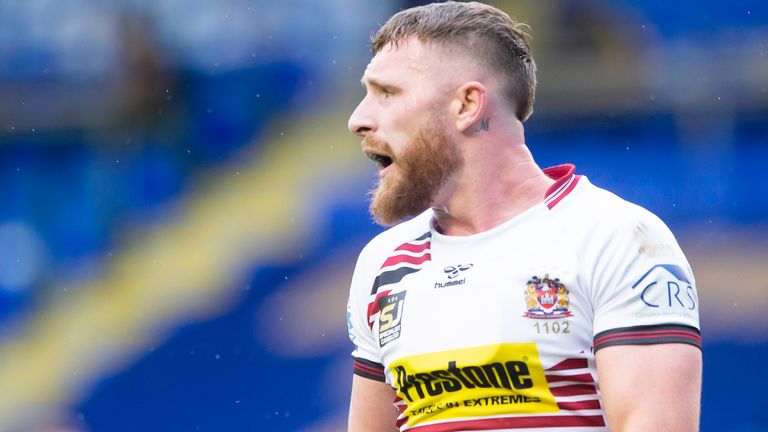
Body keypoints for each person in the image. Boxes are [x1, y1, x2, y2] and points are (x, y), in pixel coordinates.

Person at [345, 2, 701, 431]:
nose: (358, 119)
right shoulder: (381, 262)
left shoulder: (617, 237)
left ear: (467, 104)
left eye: (387, 93)